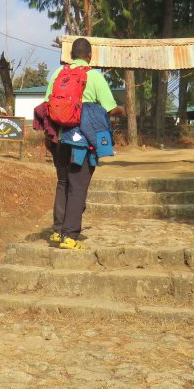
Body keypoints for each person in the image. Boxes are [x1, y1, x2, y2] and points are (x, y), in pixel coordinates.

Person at [44, 37, 124, 250]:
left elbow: (47, 105)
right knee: (78, 187)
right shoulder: (94, 76)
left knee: (63, 183)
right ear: (90, 56)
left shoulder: (58, 75)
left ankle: (57, 231)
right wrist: (121, 110)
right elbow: (110, 107)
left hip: (59, 139)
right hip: (81, 142)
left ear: (70, 56)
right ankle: (70, 237)